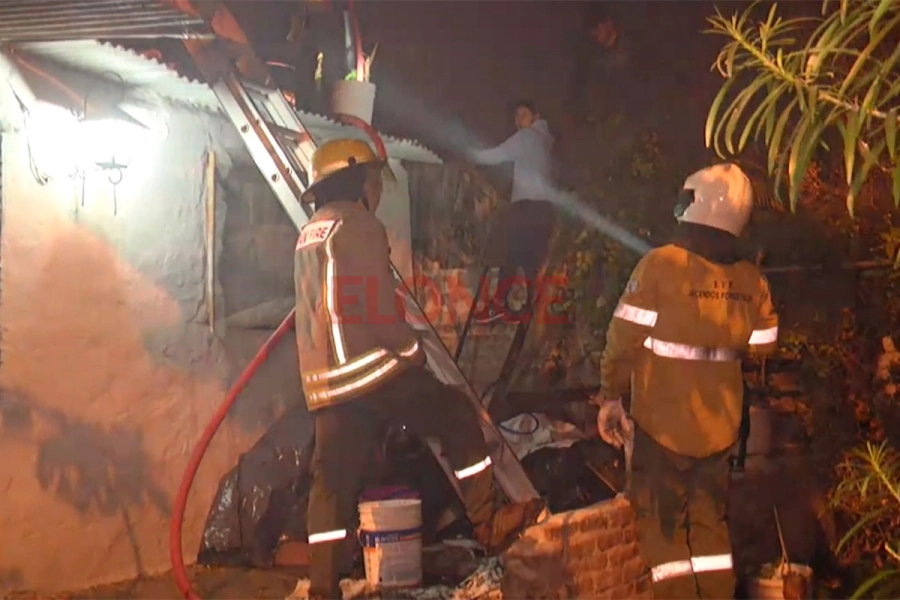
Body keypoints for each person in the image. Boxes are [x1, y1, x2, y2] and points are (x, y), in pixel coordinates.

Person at [294, 138, 545, 599]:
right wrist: (411, 350)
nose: (377, 190)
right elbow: (375, 304)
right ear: (357, 181)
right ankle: (489, 521)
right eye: (374, 181)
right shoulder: (360, 224)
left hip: (325, 383)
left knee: (330, 487)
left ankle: (323, 590)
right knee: (454, 411)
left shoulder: (310, 231)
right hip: (369, 369)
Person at [591, 163, 779, 599]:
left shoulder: (661, 266)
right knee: (711, 530)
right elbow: (765, 344)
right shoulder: (751, 280)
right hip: (721, 428)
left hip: (662, 429)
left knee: (665, 533)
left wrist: (610, 395)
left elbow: (621, 341)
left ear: (697, 205)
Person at [467, 100, 557, 324]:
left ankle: (499, 305)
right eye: (516, 116)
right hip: (545, 208)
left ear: (535, 117)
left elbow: (498, 154)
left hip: (527, 205)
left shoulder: (527, 137)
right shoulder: (546, 141)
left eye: (523, 115)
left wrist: (471, 154)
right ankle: (526, 309)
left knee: (510, 252)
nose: (518, 121)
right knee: (530, 260)